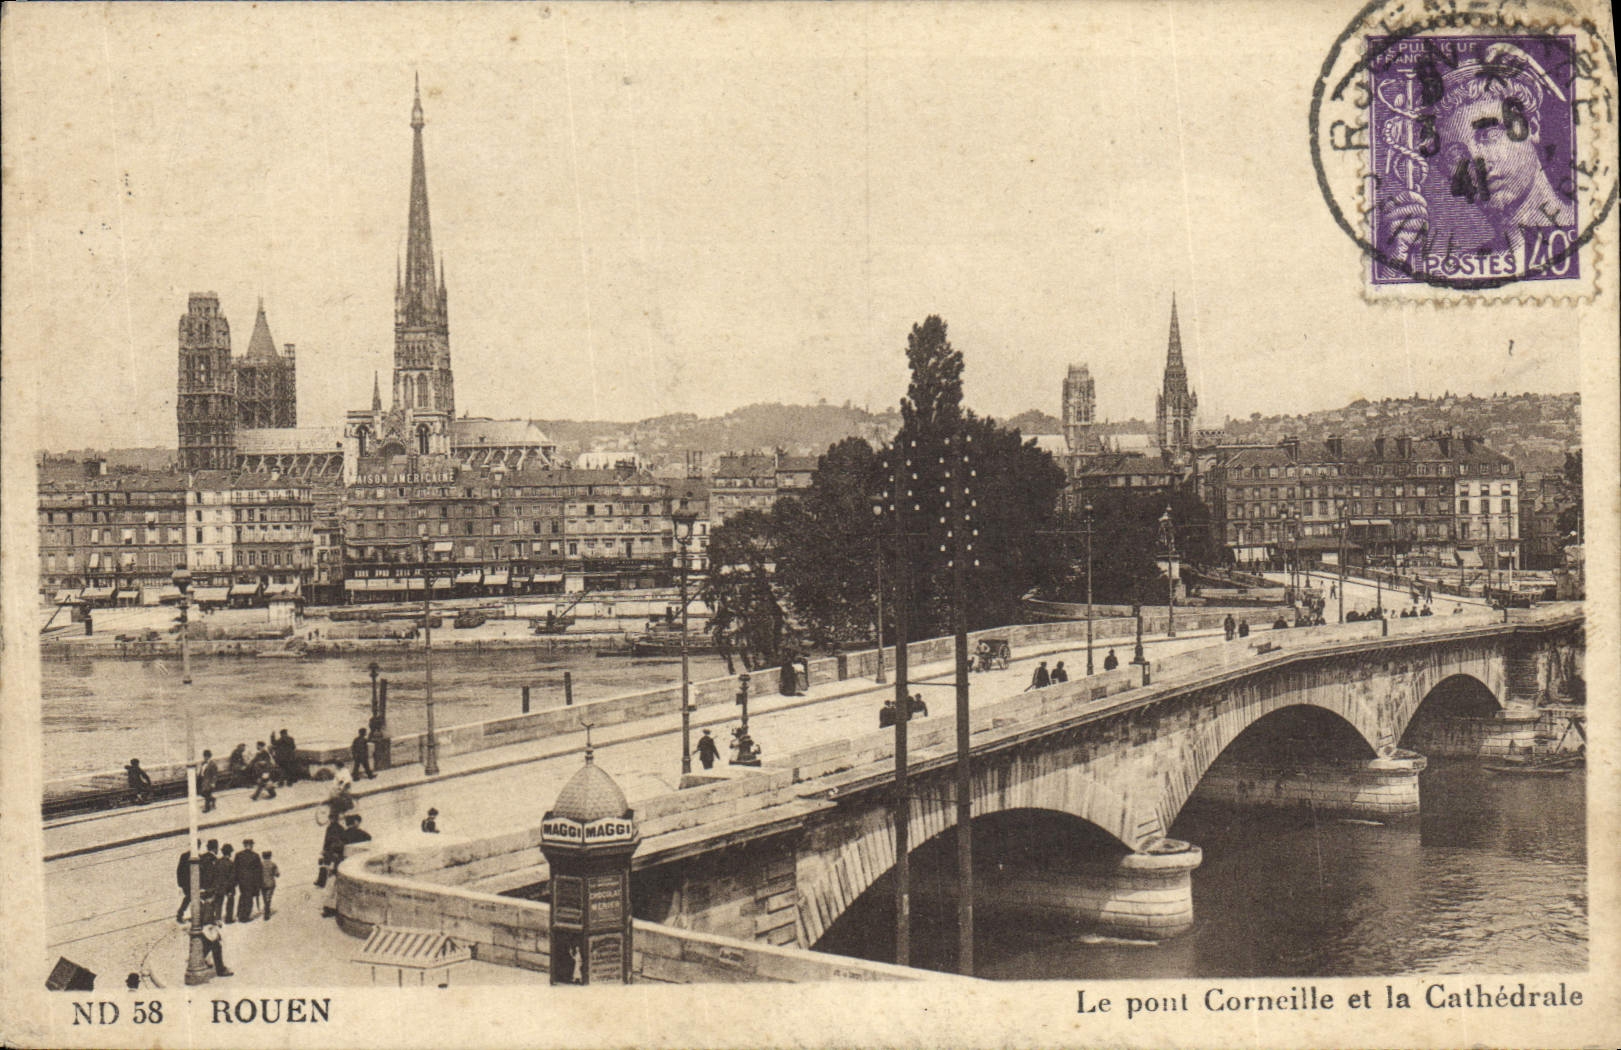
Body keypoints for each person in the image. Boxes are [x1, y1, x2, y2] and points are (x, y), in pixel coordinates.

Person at [234, 839, 264, 923]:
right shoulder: (255, 856)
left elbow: (235, 868)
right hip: (251, 881)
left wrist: (236, 880)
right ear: (251, 845)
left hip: (242, 881)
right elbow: (258, 871)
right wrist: (259, 883)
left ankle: (240, 914)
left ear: (244, 845)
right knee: (249, 898)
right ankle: (245, 916)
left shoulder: (238, 855)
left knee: (243, 896)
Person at [215, 843, 238, 924]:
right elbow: (233, 877)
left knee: (219, 902)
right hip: (229, 886)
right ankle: (228, 919)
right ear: (230, 853)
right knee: (230, 902)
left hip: (219, 885)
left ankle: (218, 918)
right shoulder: (231, 863)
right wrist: (232, 887)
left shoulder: (218, 862)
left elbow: (215, 874)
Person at [175, 845, 196, 923]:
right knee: (189, 897)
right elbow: (180, 870)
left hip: (192, 882)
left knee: (190, 898)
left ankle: (182, 914)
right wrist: (180, 883)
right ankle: (180, 914)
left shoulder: (186, 856)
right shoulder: (185, 856)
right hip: (187, 882)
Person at [259, 850, 279, 921]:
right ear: (270, 856)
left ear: (263, 856)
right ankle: (267, 912)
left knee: (264, 897)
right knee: (268, 898)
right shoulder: (273, 864)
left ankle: (266, 909)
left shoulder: (260, 864)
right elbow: (277, 874)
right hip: (271, 883)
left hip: (262, 883)